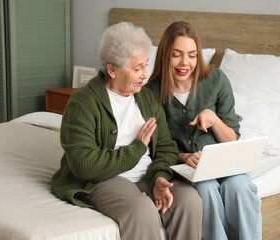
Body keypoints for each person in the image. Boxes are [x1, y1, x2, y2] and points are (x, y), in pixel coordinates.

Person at [51, 22, 202, 240]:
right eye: (136, 68)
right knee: (141, 210)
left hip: (147, 175)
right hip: (104, 179)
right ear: (112, 70)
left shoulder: (147, 98)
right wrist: (137, 147)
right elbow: (84, 165)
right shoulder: (82, 103)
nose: (145, 75)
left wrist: (159, 178)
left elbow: (166, 148)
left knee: (189, 200)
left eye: (146, 65)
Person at [145, 21, 262, 240]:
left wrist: (215, 119)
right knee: (206, 189)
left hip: (225, 162)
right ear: (164, 55)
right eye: (176, 54)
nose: (184, 63)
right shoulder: (150, 93)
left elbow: (232, 139)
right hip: (187, 169)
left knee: (239, 186)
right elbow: (155, 149)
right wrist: (184, 156)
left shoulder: (217, 80)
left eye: (191, 55)